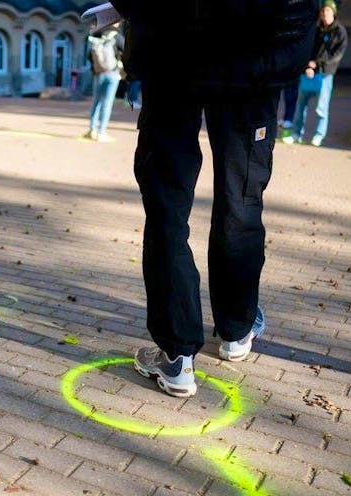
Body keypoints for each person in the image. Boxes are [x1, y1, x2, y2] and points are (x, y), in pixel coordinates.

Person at [106, 0, 316, 397]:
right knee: (241, 201)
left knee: (168, 207)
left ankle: (177, 354)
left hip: (173, 61)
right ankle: (235, 330)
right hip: (251, 70)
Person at [284, 0, 347, 147]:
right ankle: (295, 134)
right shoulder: (316, 29)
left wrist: (317, 64)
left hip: (325, 75)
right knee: (300, 107)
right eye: (323, 11)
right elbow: (307, 49)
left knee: (321, 109)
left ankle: (318, 136)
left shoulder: (340, 32)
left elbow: (337, 55)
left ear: (334, 13)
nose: (325, 14)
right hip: (308, 73)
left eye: (328, 11)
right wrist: (307, 66)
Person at [84, 22, 123, 142]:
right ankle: (101, 132)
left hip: (98, 73)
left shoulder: (98, 34)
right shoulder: (117, 37)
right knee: (107, 103)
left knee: (96, 101)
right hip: (112, 73)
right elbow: (126, 53)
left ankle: (92, 130)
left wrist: (96, 68)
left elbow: (89, 55)